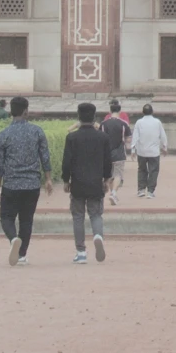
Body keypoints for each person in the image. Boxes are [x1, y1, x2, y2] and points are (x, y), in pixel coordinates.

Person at [0, 96, 51, 267]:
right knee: (27, 220)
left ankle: (13, 239)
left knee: (6, 217)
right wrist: (47, 179)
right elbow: (45, 157)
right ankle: (22, 254)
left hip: (11, 184)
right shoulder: (37, 131)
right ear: (26, 111)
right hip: (32, 184)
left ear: (11, 112)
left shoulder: (3, 135)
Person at [62, 101, 114, 263]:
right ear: (94, 117)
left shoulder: (72, 137)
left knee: (78, 216)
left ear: (79, 116)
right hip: (96, 182)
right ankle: (98, 235)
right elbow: (107, 161)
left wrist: (66, 180)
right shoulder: (103, 137)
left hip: (77, 182)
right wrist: (106, 179)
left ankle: (81, 252)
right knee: (96, 214)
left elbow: (66, 161)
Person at [131, 102, 165, 195]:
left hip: (142, 151)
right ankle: (150, 191)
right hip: (154, 152)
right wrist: (164, 147)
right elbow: (162, 136)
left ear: (143, 112)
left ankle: (141, 189)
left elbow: (135, 136)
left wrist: (133, 149)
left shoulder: (139, 122)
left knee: (142, 169)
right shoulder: (157, 122)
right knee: (153, 171)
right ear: (152, 112)